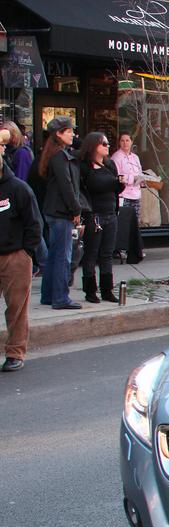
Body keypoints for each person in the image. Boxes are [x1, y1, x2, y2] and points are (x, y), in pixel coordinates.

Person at [0, 126, 43, 372]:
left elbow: (34, 224)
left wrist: (26, 253)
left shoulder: (18, 188)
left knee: (16, 309)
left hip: (15, 256)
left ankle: (15, 353)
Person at [39, 116, 83, 310]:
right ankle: (60, 298)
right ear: (58, 134)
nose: (73, 134)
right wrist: (76, 209)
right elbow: (66, 185)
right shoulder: (59, 155)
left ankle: (49, 295)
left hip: (55, 211)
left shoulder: (56, 153)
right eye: (69, 131)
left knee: (54, 254)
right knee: (62, 256)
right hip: (60, 212)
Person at [78, 132, 124, 304]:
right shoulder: (85, 167)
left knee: (107, 254)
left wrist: (120, 184)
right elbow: (89, 187)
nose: (107, 146)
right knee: (92, 254)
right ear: (93, 146)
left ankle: (107, 290)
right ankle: (90, 290)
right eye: (103, 144)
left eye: (107, 143)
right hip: (94, 215)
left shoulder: (110, 165)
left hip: (110, 212)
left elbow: (115, 189)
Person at [109, 132, 145, 264]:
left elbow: (139, 172)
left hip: (135, 193)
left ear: (131, 142)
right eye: (122, 140)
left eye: (127, 140)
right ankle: (122, 249)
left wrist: (142, 179)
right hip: (124, 193)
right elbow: (117, 176)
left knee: (135, 222)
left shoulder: (135, 157)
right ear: (119, 142)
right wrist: (131, 179)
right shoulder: (116, 157)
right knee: (123, 223)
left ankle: (135, 248)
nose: (125, 143)